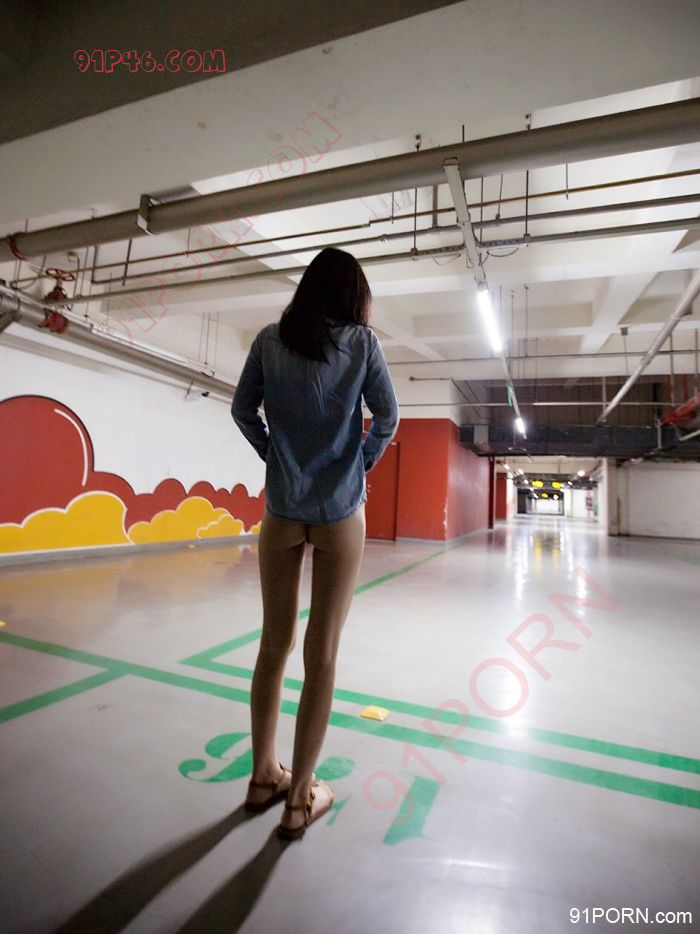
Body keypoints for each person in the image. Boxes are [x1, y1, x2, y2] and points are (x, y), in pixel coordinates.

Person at [231, 247, 399, 840]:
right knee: (321, 653)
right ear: (355, 295)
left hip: (282, 509)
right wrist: (360, 462)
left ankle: (262, 777)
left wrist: (273, 455)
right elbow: (388, 418)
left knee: (272, 645)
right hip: (339, 512)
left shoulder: (268, 340)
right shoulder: (364, 344)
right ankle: (300, 796)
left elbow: (242, 410)